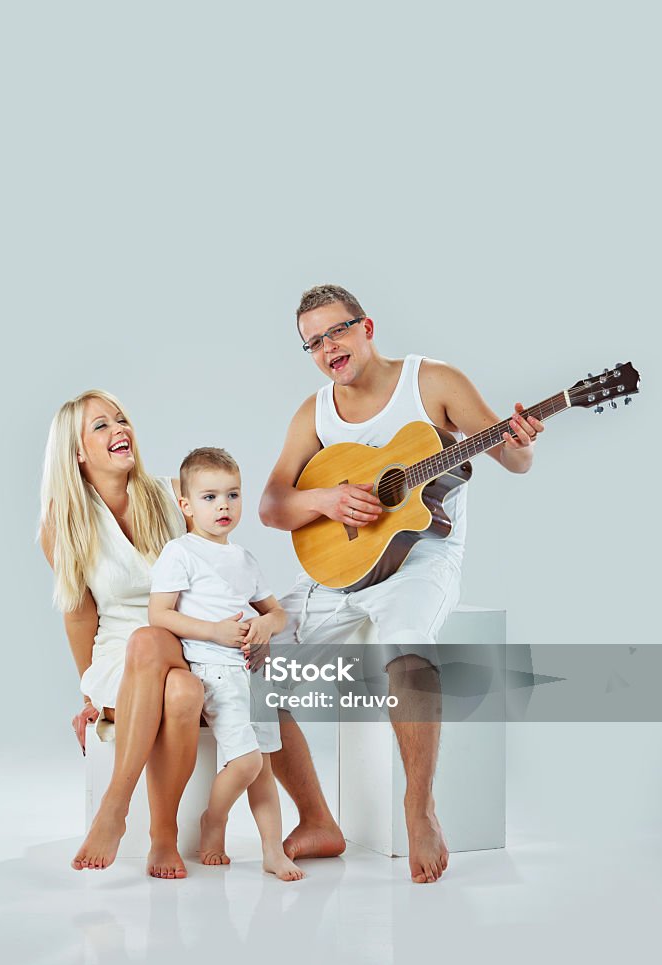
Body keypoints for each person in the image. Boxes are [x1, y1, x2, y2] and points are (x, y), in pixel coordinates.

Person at [259, 284, 544, 884]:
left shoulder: (432, 382)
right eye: (312, 342)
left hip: (421, 558)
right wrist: (328, 498)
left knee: (408, 643)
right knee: (246, 661)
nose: (327, 348)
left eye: (336, 331)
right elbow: (272, 505)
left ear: (367, 326)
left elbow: (513, 461)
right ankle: (317, 819)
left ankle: (418, 806)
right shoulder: (315, 413)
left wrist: (519, 444)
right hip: (340, 570)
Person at [40, 389, 205, 878]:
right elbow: (77, 613)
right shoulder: (63, 523)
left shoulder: (173, 494)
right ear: (76, 452)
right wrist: (89, 688)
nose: (119, 430)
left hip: (187, 637)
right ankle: (163, 837)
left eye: (121, 419)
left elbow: (213, 573)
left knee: (159, 647)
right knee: (181, 693)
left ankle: (117, 805)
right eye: (101, 426)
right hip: (121, 655)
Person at [148, 447, 304, 881]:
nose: (223, 506)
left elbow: (277, 613)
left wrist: (264, 627)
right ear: (186, 505)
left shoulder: (244, 559)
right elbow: (159, 615)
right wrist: (214, 631)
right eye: (210, 497)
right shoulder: (180, 553)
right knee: (247, 761)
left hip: (253, 670)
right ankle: (212, 821)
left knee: (264, 766)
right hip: (214, 670)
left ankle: (272, 850)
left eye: (233, 495)